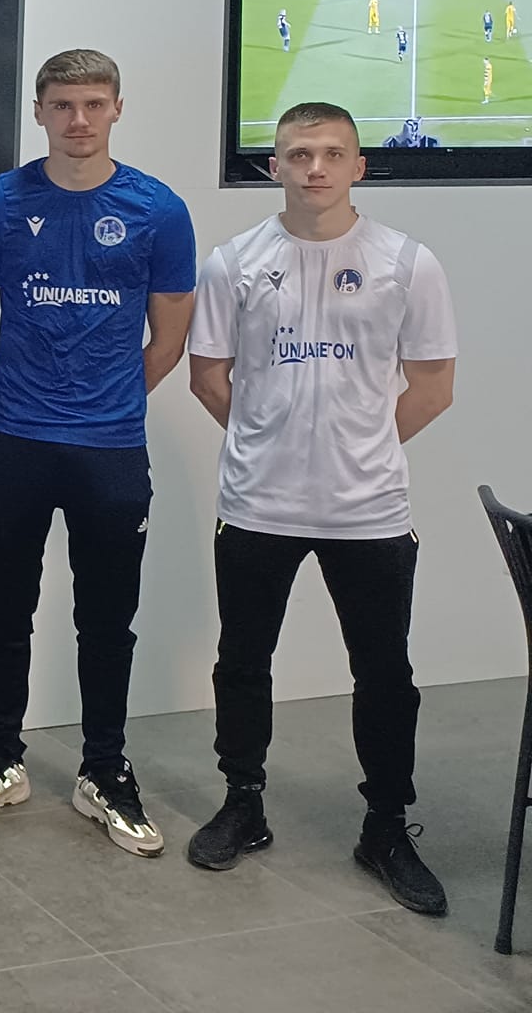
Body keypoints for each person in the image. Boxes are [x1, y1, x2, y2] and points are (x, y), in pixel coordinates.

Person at [185, 101, 455, 916]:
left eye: (333, 154)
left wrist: (356, 446)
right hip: (258, 504)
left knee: (385, 674)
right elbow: (208, 377)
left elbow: (433, 387)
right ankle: (243, 801)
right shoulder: (233, 263)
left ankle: (386, 825)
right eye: (299, 154)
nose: (315, 169)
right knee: (242, 661)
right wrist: (269, 441)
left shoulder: (408, 263)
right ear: (275, 166)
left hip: (368, 510)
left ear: (358, 167)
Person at [0, 49, 196, 858]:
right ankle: (0, 755)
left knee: (107, 619)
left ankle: (104, 768)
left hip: (111, 448)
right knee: (6, 610)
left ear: (118, 108)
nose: (78, 119)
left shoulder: (159, 209)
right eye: (62, 105)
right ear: (39, 112)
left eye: (93, 104)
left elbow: (169, 338)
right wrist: (30, 393)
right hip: (14, 441)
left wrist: (107, 398)